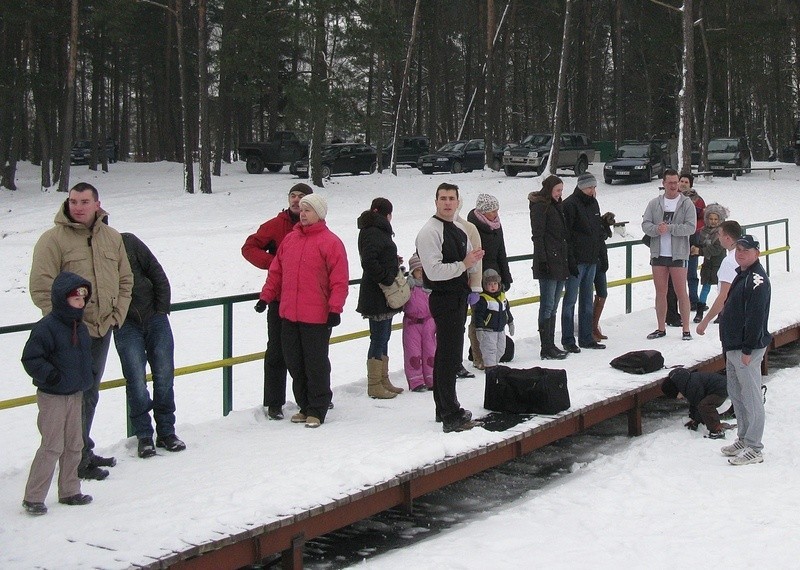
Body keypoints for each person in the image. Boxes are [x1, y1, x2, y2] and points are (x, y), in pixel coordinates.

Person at [29, 182, 133, 481]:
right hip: (71, 335)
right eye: (73, 201)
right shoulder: (53, 240)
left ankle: (82, 450)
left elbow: (125, 280)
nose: (78, 206)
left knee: (89, 394)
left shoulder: (112, 238)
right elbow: (41, 287)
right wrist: (64, 325)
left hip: (102, 329)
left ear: (97, 204)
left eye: (85, 201)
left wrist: (116, 314)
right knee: (70, 398)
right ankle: (73, 462)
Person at [256, 193, 348, 428]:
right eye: (302, 209)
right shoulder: (290, 240)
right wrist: (266, 298)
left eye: (308, 210)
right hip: (289, 314)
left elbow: (339, 280)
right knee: (295, 362)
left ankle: (317, 408)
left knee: (315, 363)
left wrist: (335, 308)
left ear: (319, 214)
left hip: (316, 316)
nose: (303, 213)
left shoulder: (331, 242)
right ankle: (304, 405)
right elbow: (276, 272)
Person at [21, 272, 95, 516]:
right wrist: (51, 376)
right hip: (53, 396)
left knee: (75, 443)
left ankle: (70, 489)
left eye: (83, 299)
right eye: (76, 300)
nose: (81, 304)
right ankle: (34, 496)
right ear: (63, 300)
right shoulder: (47, 328)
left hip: (75, 393)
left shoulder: (80, 327)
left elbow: (83, 357)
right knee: (52, 446)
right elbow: (31, 358)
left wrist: (86, 378)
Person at [416, 182, 484, 433]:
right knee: (447, 356)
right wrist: (463, 264)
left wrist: (471, 273)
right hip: (443, 296)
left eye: (451, 198)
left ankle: (444, 407)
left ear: (457, 202)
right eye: (443, 198)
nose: (447, 203)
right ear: (436, 202)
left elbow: (471, 259)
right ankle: (449, 413)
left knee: (451, 355)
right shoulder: (429, 231)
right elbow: (433, 271)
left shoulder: (457, 228)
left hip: (458, 294)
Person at [243, 183, 313, 420]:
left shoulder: (316, 226)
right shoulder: (276, 225)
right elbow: (249, 246)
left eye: (301, 197)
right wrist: (271, 263)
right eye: (293, 196)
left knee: (310, 351)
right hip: (280, 299)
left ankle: (314, 397)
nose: (296, 200)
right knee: (277, 350)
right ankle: (274, 402)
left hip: (308, 300)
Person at [114, 233, 185, 459]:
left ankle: (166, 431)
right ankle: (143, 435)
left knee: (164, 375)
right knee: (135, 379)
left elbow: (157, 272)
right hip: (124, 322)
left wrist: (161, 309)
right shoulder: (92, 253)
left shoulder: (128, 242)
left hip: (154, 315)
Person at [718, 235, 771, 465]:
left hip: (745, 348)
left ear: (757, 252)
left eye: (746, 250)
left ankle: (754, 446)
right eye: (738, 249)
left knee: (751, 397)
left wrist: (748, 347)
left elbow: (756, 316)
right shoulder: (743, 275)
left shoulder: (757, 279)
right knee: (737, 394)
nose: (740, 253)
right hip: (732, 346)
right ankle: (743, 437)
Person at [356, 197, 404, 399]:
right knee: (378, 337)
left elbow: (376, 256)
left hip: (382, 294)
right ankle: (374, 383)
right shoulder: (374, 231)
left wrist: (392, 261)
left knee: (384, 336)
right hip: (378, 293)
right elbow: (369, 261)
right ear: (388, 214)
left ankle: (383, 379)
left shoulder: (373, 229)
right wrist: (386, 276)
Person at [641, 169, 696, 340]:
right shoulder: (654, 203)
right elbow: (645, 224)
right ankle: (660, 327)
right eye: (670, 182)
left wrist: (670, 228)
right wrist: (657, 229)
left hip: (678, 254)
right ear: (663, 183)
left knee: (681, 292)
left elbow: (691, 227)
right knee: (661, 292)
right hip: (658, 253)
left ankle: (686, 329)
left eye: (676, 182)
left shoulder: (686, 203)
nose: (673, 186)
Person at [561, 172, 606, 352]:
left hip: (592, 259)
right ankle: (568, 338)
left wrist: (601, 255)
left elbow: (598, 231)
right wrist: (570, 259)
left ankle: (587, 336)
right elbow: (567, 235)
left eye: (594, 187)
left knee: (587, 300)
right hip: (577, 260)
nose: (592, 191)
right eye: (589, 187)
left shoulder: (593, 203)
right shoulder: (570, 205)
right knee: (570, 299)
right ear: (581, 187)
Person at [467, 193, 512, 370]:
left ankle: (493, 354)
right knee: (479, 318)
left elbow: (502, 251)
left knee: (496, 315)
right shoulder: (472, 227)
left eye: (497, 209)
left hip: (496, 277)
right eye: (493, 210)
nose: (496, 213)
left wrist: (506, 278)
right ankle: (478, 355)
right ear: (484, 212)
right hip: (478, 277)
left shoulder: (497, 225)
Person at [528, 175, 569, 360]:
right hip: (548, 262)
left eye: (561, 191)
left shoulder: (556, 205)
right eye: (558, 190)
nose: (560, 194)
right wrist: (543, 260)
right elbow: (538, 236)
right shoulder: (540, 207)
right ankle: (546, 345)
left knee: (553, 305)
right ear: (549, 189)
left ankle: (551, 343)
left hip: (560, 260)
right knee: (547, 304)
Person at [696, 220, 743, 335]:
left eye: (720, 234)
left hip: (733, 317)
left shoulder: (729, 262)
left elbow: (724, 296)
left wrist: (705, 320)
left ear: (727, 238)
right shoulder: (745, 256)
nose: (718, 237)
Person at [661, 367, 730, 439]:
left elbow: (698, 403)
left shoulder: (691, 386)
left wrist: (696, 420)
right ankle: (711, 425)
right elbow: (694, 403)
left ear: (676, 390)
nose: (678, 398)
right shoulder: (687, 382)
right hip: (719, 387)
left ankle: (716, 430)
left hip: (721, 389)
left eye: (676, 396)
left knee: (705, 405)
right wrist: (695, 420)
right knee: (703, 405)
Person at [402, 253, 435, 392]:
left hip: (428, 322)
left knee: (430, 351)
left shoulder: (430, 286)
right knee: (413, 352)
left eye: (422, 270)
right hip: (412, 323)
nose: (420, 274)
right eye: (417, 271)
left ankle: (431, 378)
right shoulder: (409, 287)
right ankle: (416, 380)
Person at [457, 198, 481, 378]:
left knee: (461, 326)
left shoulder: (469, 228)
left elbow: (476, 259)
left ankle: (460, 361)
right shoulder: (433, 228)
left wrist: (475, 286)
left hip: (463, 285)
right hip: (441, 286)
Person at [472, 269, 514, 372]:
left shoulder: (502, 297)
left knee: (501, 349)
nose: (493, 286)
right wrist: (479, 328)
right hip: (488, 331)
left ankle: (494, 364)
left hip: (500, 330)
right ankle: (490, 367)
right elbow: (478, 315)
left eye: (495, 283)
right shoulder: (483, 299)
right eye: (490, 284)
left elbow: (507, 311)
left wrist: (510, 322)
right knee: (489, 350)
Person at [694, 204, 729, 323]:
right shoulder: (703, 231)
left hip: (719, 264)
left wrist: (700, 251)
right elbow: (702, 244)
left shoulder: (721, 234)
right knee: (705, 287)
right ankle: (700, 311)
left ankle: (722, 312)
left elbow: (716, 249)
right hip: (708, 264)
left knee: (721, 289)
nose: (713, 221)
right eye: (711, 219)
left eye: (716, 219)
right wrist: (696, 248)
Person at [681, 172, 705, 311]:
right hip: (677, 237)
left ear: (690, 184)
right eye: (681, 181)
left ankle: (693, 300)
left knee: (691, 271)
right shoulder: (673, 197)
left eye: (686, 182)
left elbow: (704, 217)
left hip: (693, 237)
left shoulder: (698, 200)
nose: (683, 184)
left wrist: (694, 226)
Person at [592, 210, 616, 342]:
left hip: (601, 258)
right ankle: (590, 327)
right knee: (588, 295)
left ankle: (594, 326)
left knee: (602, 293)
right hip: (590, 258)